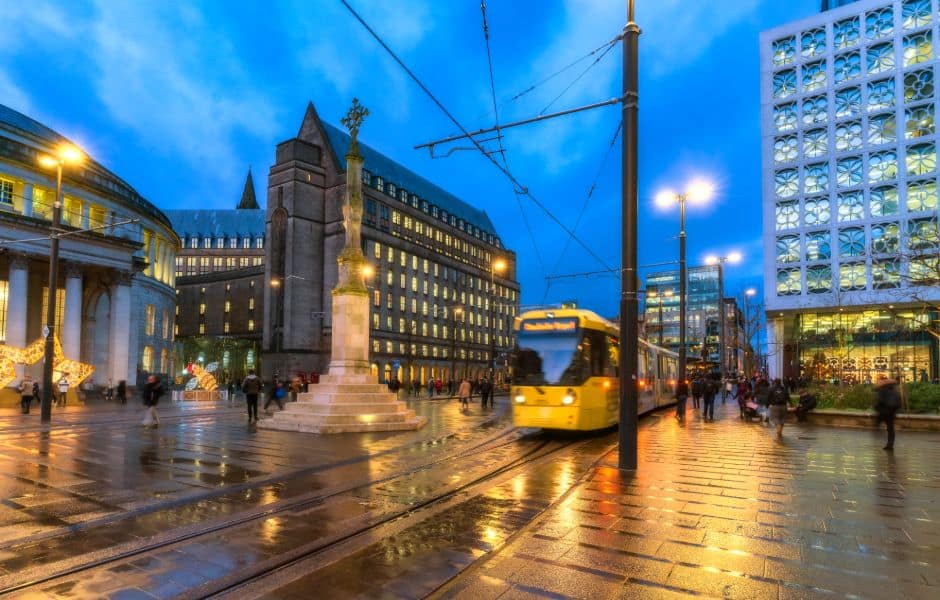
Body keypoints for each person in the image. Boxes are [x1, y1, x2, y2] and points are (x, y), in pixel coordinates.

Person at [874, 377, 900, 451]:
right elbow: (898, 401)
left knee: (877, 423)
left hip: (883, 412)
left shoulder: (882, 391)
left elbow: (879, 401)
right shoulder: (895, 391)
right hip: (892, 412)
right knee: (890, 429)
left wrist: (876, 408)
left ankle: (878, 431)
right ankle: (890, 444)